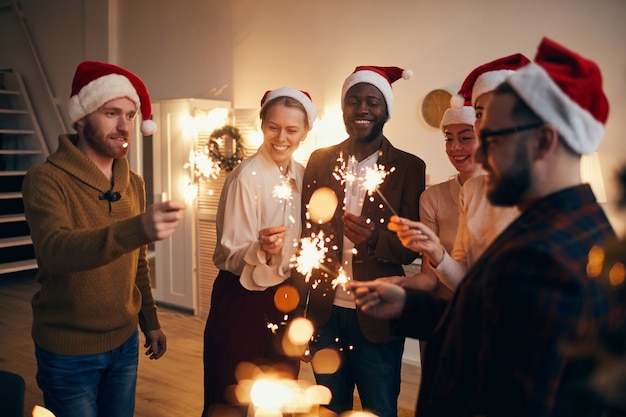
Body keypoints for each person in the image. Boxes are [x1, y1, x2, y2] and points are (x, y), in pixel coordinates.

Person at [349, 37, 619, 416]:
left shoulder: (546, 257)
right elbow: (487, 322)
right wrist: (409, 305)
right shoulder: (543, 223)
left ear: (544, 140)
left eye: (493, 138)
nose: (477, 153)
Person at [21, 61, 186, 417]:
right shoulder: (45, 180)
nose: (124, 126)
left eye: (130, 114)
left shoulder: (134, 184)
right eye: (111, 112)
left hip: (125, 344)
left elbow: (136, 261)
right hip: (68, 351)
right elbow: (56, 251)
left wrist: (150, 320)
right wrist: (137, 228)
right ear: (80, 117)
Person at [295, 66, 426, 417]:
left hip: (377, 316)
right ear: (343, 109)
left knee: (379, 407)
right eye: (354, 101)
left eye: (372, 101)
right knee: (330, 407)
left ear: (386, 111)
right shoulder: (321, 161)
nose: (362, 109)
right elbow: (306, 241)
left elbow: (410, 248)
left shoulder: (409, 168)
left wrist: (374, 237)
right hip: (324, 314)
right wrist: (299, 312)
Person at [202, 87, 316, 417]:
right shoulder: (245, 179)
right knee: (229, 399)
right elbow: (231, 254)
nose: (281, 138)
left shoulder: (304, 177)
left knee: (280, 396)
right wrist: (260, 249)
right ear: (262, 124)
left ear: (305, 132)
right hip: (241, 300)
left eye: (292, 130)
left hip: (286, 297)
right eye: (273, 127)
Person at [390, 54, 529, 292]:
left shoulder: (535, 191)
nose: (455, 148)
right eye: (480, 115)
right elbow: (458, 277)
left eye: (465, 138)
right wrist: (432, 255)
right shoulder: (471, 193)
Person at [384, 99, 480, 295]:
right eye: (449, 139)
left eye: (465, 138)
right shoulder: (432, 198)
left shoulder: (509, 196)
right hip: (446, 313)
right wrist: (399, 283)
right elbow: (429, 278)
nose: (454, 148)